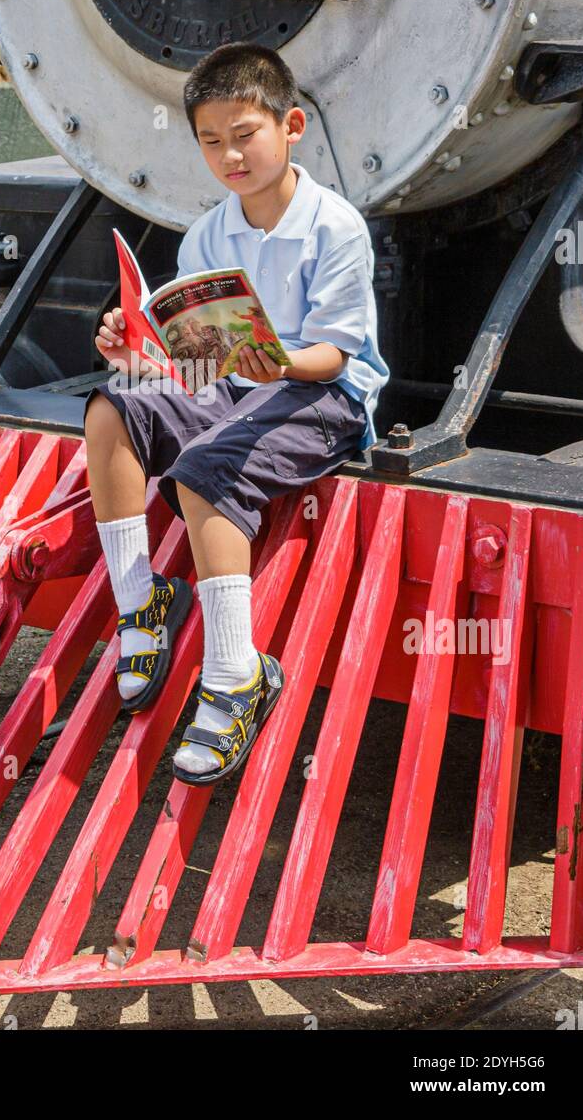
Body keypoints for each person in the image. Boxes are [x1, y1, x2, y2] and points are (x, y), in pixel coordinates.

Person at [83, 41, 390, 786]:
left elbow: (335, 357)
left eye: (244, 135)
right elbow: (199, 364)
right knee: (111, 409)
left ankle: (234, 675)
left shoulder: (334, 226)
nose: (230, 156)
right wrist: (138, 357)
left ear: (290, 127)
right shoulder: (208, 234)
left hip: (324, 397)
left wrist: (277, 362)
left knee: (206, 470)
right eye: (211, 141)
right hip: (236, 386)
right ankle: (142, 603)